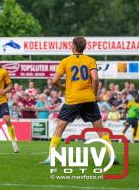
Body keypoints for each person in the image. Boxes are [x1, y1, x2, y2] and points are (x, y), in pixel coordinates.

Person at [41, 36, 117, 164]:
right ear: (84, 47)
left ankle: (51, 157)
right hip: (88, 98)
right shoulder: (90, 60)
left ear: (73, 46)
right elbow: (95, 79)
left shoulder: (65, 61)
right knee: (100, 129)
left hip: (73, 99)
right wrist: (95, 94)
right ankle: (112, 156)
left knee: (59, 127)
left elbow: (54, 80)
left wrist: (63, 88)